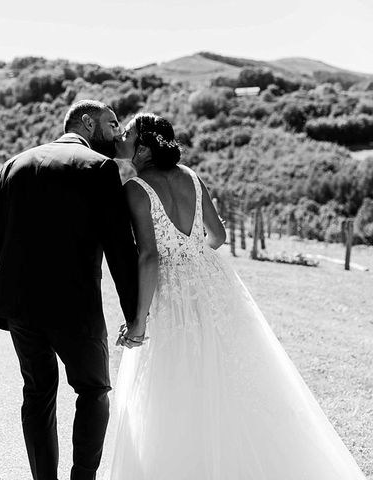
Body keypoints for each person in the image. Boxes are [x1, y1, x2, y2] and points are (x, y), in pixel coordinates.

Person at [104, 112, 367, 480]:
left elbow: (148, 255)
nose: (122, 139)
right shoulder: (192, 178)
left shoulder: (135, 189)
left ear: (144, 147)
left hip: (170, 288)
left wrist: (138, 319)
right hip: (211, 282)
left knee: (173, 379)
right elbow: (218, 236)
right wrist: (192, 251)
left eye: (128, 134)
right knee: (224, 369)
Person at [0, 100, 139, 480]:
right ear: (88, 122)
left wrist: (2, 287)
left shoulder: (15, 164)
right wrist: (135, 313)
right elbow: (120, 248)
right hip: (75, 306)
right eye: (112, 124)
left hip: (20, 305)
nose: (118, 133)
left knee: (37, 393)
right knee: (93, 391)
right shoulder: (99, 169)